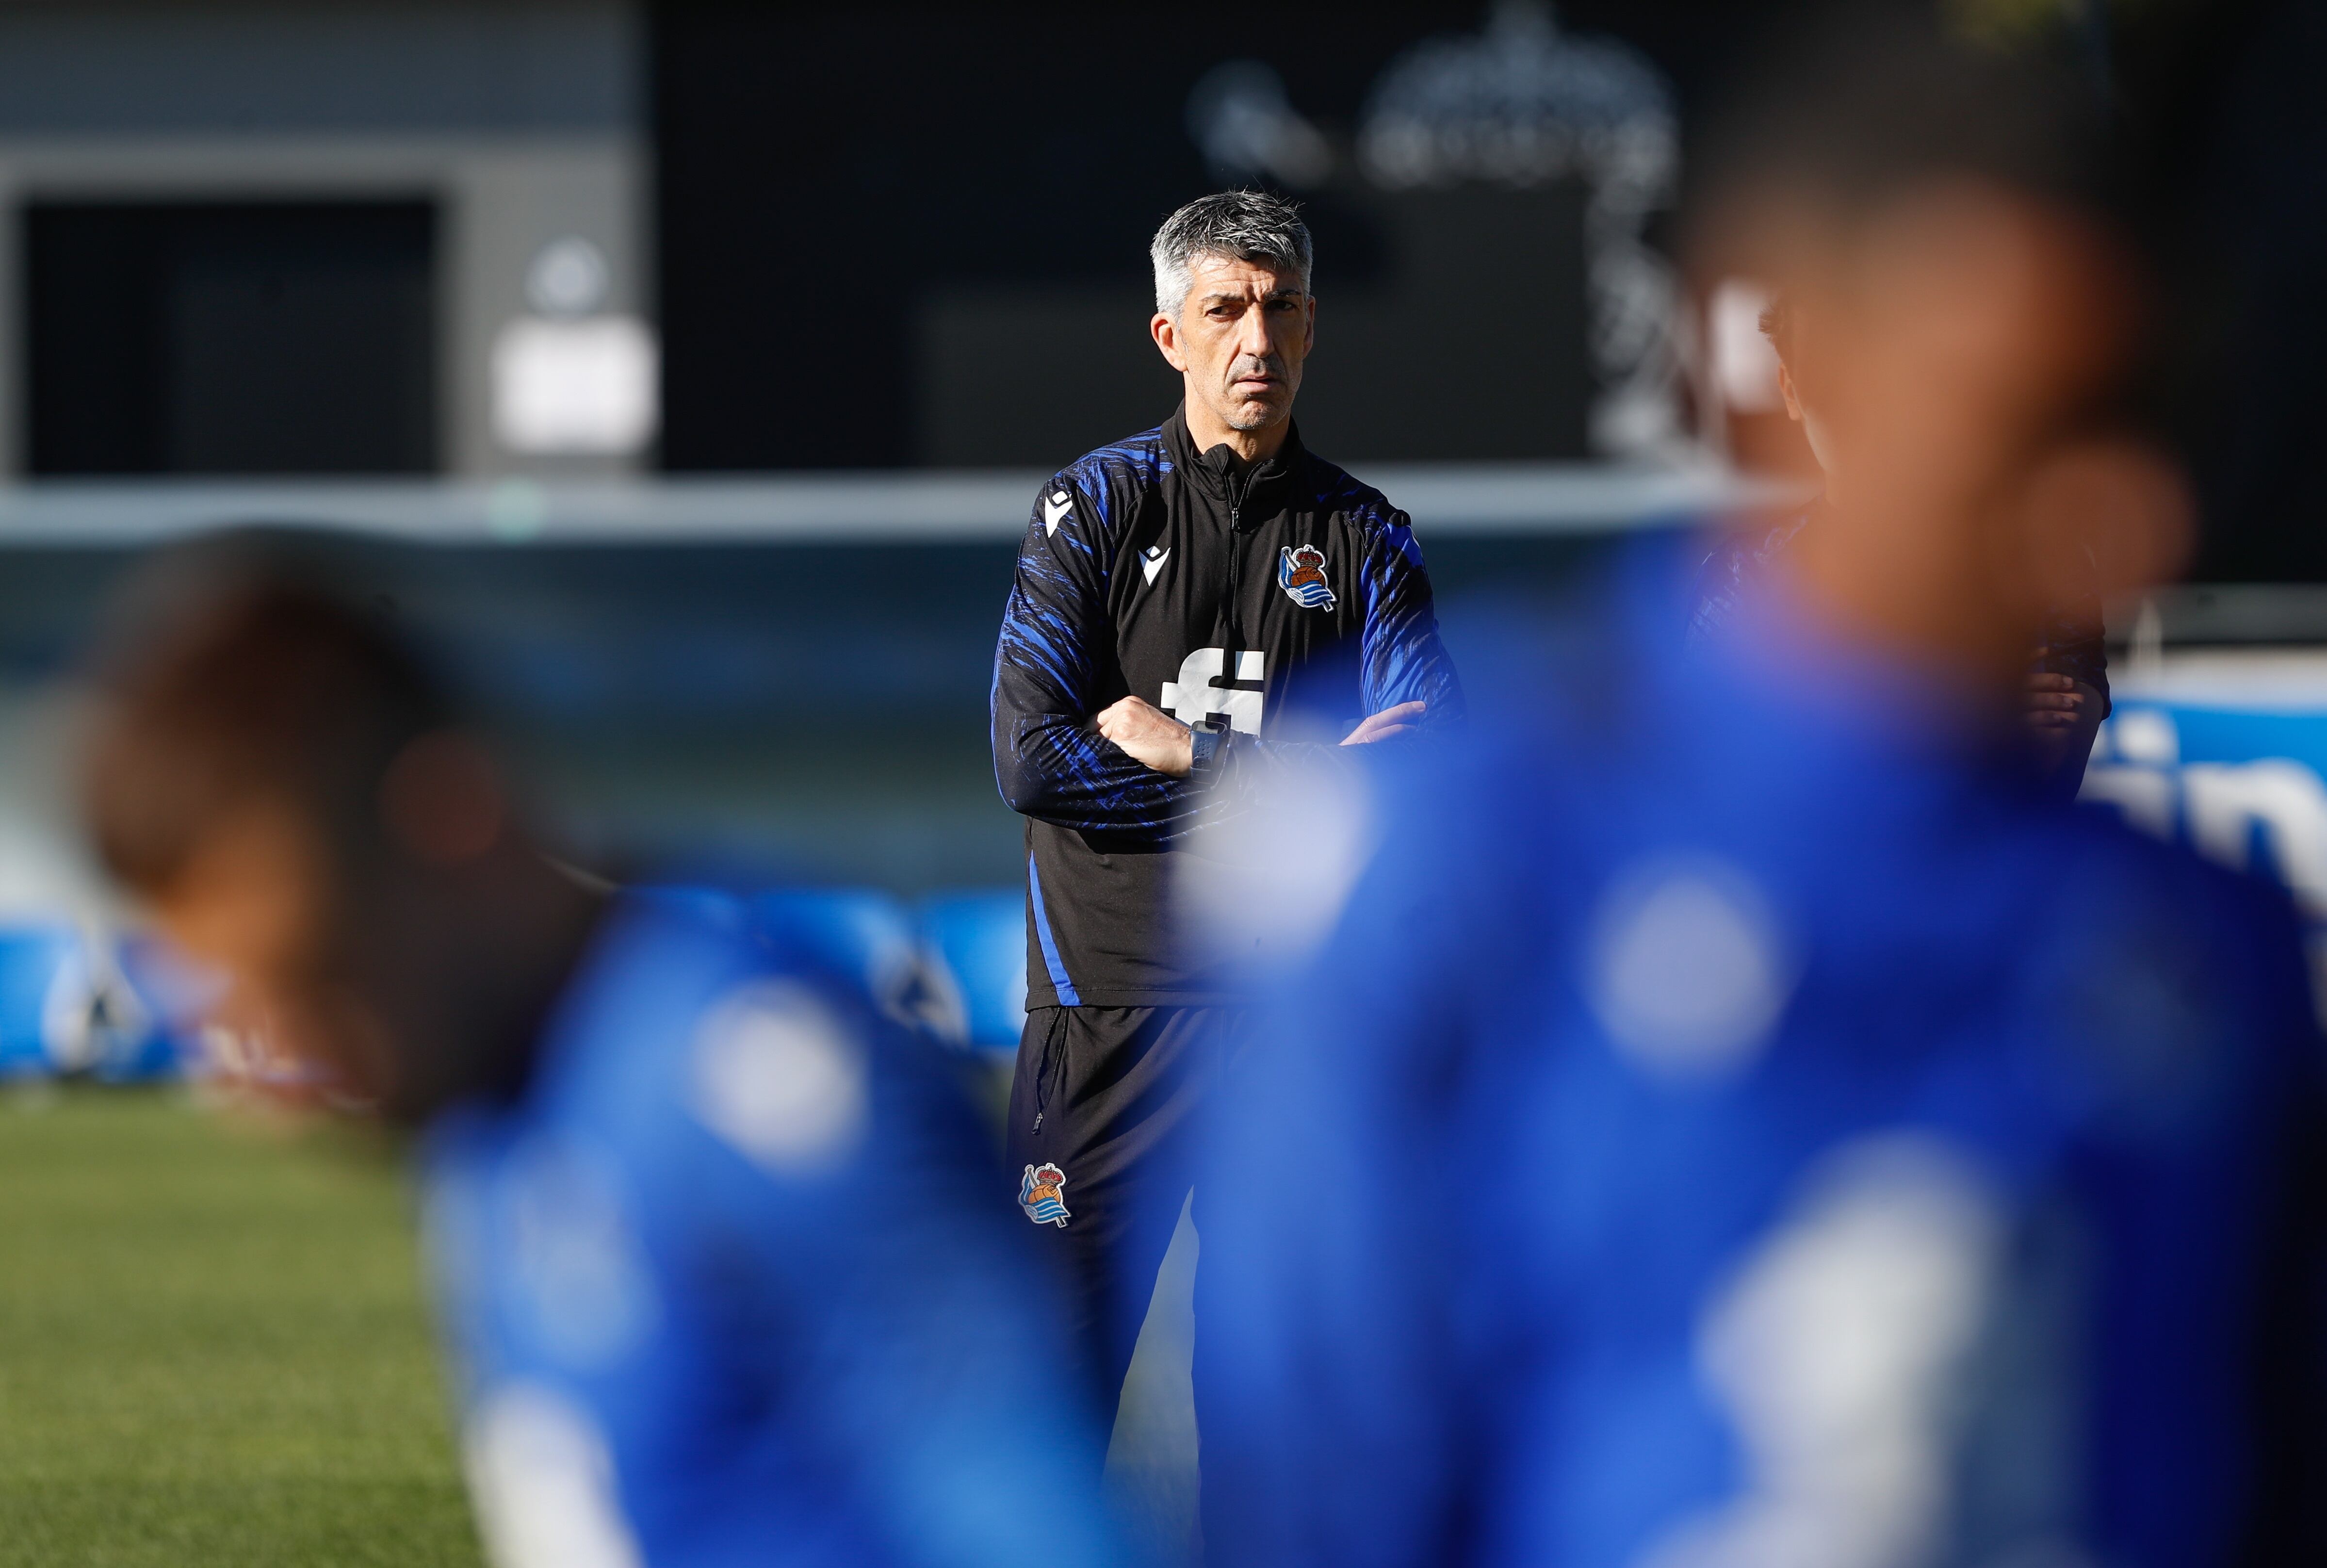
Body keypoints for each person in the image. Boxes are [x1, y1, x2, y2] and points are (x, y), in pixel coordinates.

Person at [1197, 18, 2327, 1568]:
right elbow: (1320, 1488)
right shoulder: (1454, 864)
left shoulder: (2211, 956)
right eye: (2027, 442)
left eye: (2151, 434)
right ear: (1779, 375)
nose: (2127, 524)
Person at [80, 550, 1123, 1568]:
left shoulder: (751, 1095)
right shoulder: (489, 1106)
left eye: (314, 982)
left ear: (448, 820)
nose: (264, 1090)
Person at [989, 188, 1464, 1418]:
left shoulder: (1368, 541)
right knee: (1042, 1408)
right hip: (1104, 1017)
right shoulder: (1089, 512)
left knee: (1287, 1422)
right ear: (1171, 335)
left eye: (1279, 307)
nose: (1255, 338)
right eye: (1225, 309)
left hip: (1296, 1030)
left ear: (1311, 325)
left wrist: (1196, 759)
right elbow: (1035, 759)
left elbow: (1425, 779)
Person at [1691, 291, 2111, 792]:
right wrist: (1972, 713)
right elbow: (1712, 772)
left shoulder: (2038, 564)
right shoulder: (1740, 575)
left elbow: (2052, 766)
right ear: (1790, 390)